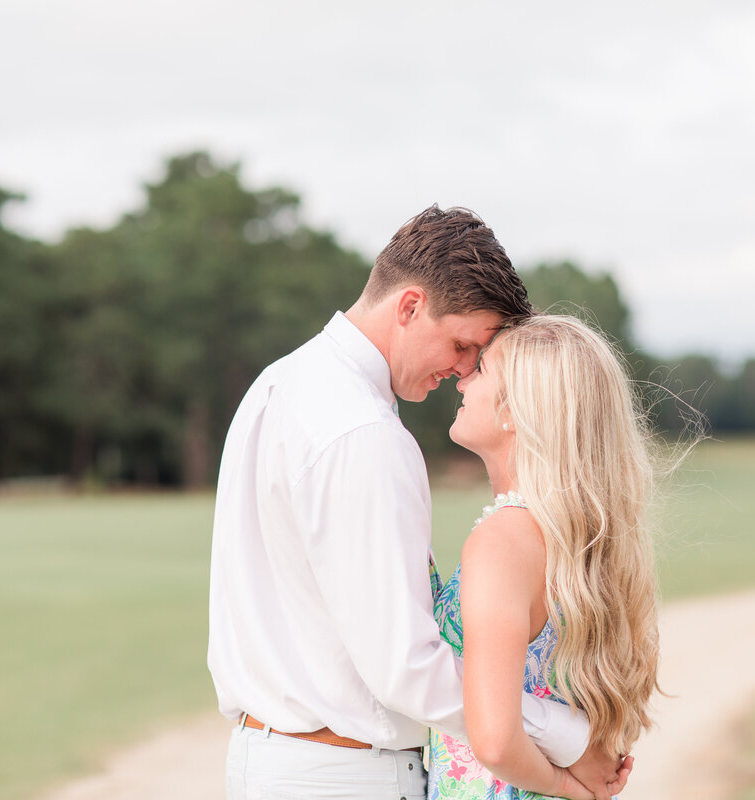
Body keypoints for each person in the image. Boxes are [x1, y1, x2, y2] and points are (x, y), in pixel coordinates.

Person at [207, 206, 630, 800]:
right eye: (462, 344)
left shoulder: (277, 385)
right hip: (347, 774)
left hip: (270, 761)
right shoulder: (365, 433)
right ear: (409, 307)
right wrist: (566, 738)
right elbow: (404, 667)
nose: (461, 370)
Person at [427, 315, 661, 799]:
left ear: (518, 409)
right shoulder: (578, 540)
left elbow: (493, 738)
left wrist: (563, 786)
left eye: (483, 370)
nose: (463, 377)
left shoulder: (503, 540)